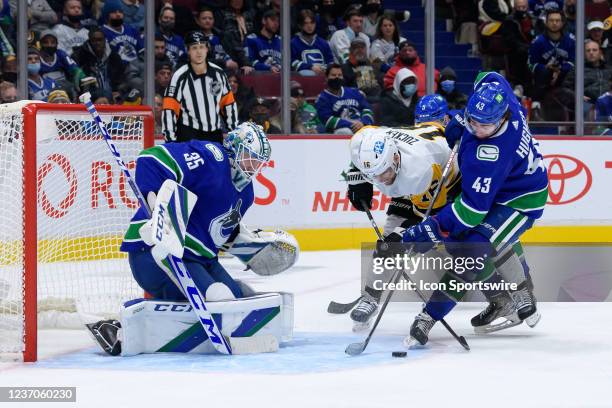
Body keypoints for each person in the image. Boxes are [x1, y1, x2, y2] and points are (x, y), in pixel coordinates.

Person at [87, 122, 293, 356]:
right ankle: (120, 329)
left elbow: (220, 234)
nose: (254, 166)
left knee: (237, 297)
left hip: (200, 259)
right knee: (219, 297)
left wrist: (248, 246)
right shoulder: (212, 157)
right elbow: (152, 158)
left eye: (259, 162)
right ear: (234, 148)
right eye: (250, 157)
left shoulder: (246, 194)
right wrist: (156, 204)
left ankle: (168, 325)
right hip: (155, 253)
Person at [401, 77, 547, 347]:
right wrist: (459, 120)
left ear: (502, 119)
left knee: (475, 248)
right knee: (464, 242)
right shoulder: (504, 97)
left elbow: (470, 212)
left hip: (520, 200)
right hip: (502, 187)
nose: (477, 130)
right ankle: (501, 299)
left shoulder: (491, 154)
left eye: (485, 125)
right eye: (473, 121)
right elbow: (490, 77)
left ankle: (429, 316)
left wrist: (429, 229)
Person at [345, 121, 462, 331]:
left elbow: (429, 217)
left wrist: (401, 236)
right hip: (419, 151)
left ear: (396, 158)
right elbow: (363, 141)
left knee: (453, 245)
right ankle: (370, 298)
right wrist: (357, 179)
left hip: (450, 182)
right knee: (386, 249)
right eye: (373, 175)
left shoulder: (420, 171)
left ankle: (502, 295)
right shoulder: (361, 144)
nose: (380, 180)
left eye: (384, 173)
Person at [162, 31, 238, 143]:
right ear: (188, 50)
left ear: (207, 49)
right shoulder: (179, 76)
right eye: (194, 48)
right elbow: (169, 110)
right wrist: (170, 141)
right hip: (188, 135)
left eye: (202, 47)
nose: (199, 52)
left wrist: (234, 133)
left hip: (215, 135)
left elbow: (229, 105)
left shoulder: (219, 73)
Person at [315, 63, 374, 134]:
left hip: (362, 126)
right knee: (345, 131)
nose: (337, 77)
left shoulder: (354, 92)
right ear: (327, 78)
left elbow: (367, 109)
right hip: (341, 130)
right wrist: (353, 125)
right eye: (333, 75)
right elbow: (328, 120)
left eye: (340, 75)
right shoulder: (322, 98)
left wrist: (363, 122)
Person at [72, 27, 126, 101]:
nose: (97, 43)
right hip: (88, 97)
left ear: (105, 40)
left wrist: (117, 91)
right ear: (89, 41)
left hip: (111, 96)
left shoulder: (114, 56)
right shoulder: (79, 56)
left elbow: (120, 78)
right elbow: (76, 81)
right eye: (94, 40)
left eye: (100, 40)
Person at [194, 6, 239, 73]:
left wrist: (242, 64)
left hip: (228, 69)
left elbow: (234, 51)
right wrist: (224, 63)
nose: (207, 20)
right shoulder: (194, 38)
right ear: (198, 21)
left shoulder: (222, 35)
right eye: (204, 18)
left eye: (210, 18)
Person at [291, 9, 333, 76]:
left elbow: (330, 61)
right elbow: (292, 62)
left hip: (323, 76)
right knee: (308, 73)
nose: (309, 26)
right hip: (303, 79)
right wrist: (310, 67)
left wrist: (325, 68)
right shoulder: (293, 43)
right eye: (306, 23)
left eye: (312, 23)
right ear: (300, 25)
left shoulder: (323, 43)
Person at [101, 0, 144, 64]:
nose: (118, 14)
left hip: (137, 67)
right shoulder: (102, 32)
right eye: (114, 12)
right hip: (117, 69)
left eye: (120, 12)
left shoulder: (131, 29)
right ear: (107, 15)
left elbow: (142, 51)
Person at [341, 38, 381, 102]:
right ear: (350, 50)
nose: (359, 50)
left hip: (375, 99)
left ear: (366, 50)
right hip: (357, 100)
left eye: (362, 47)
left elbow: (377, 85)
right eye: (356, 48)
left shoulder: (370, 65)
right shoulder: (344, 68)